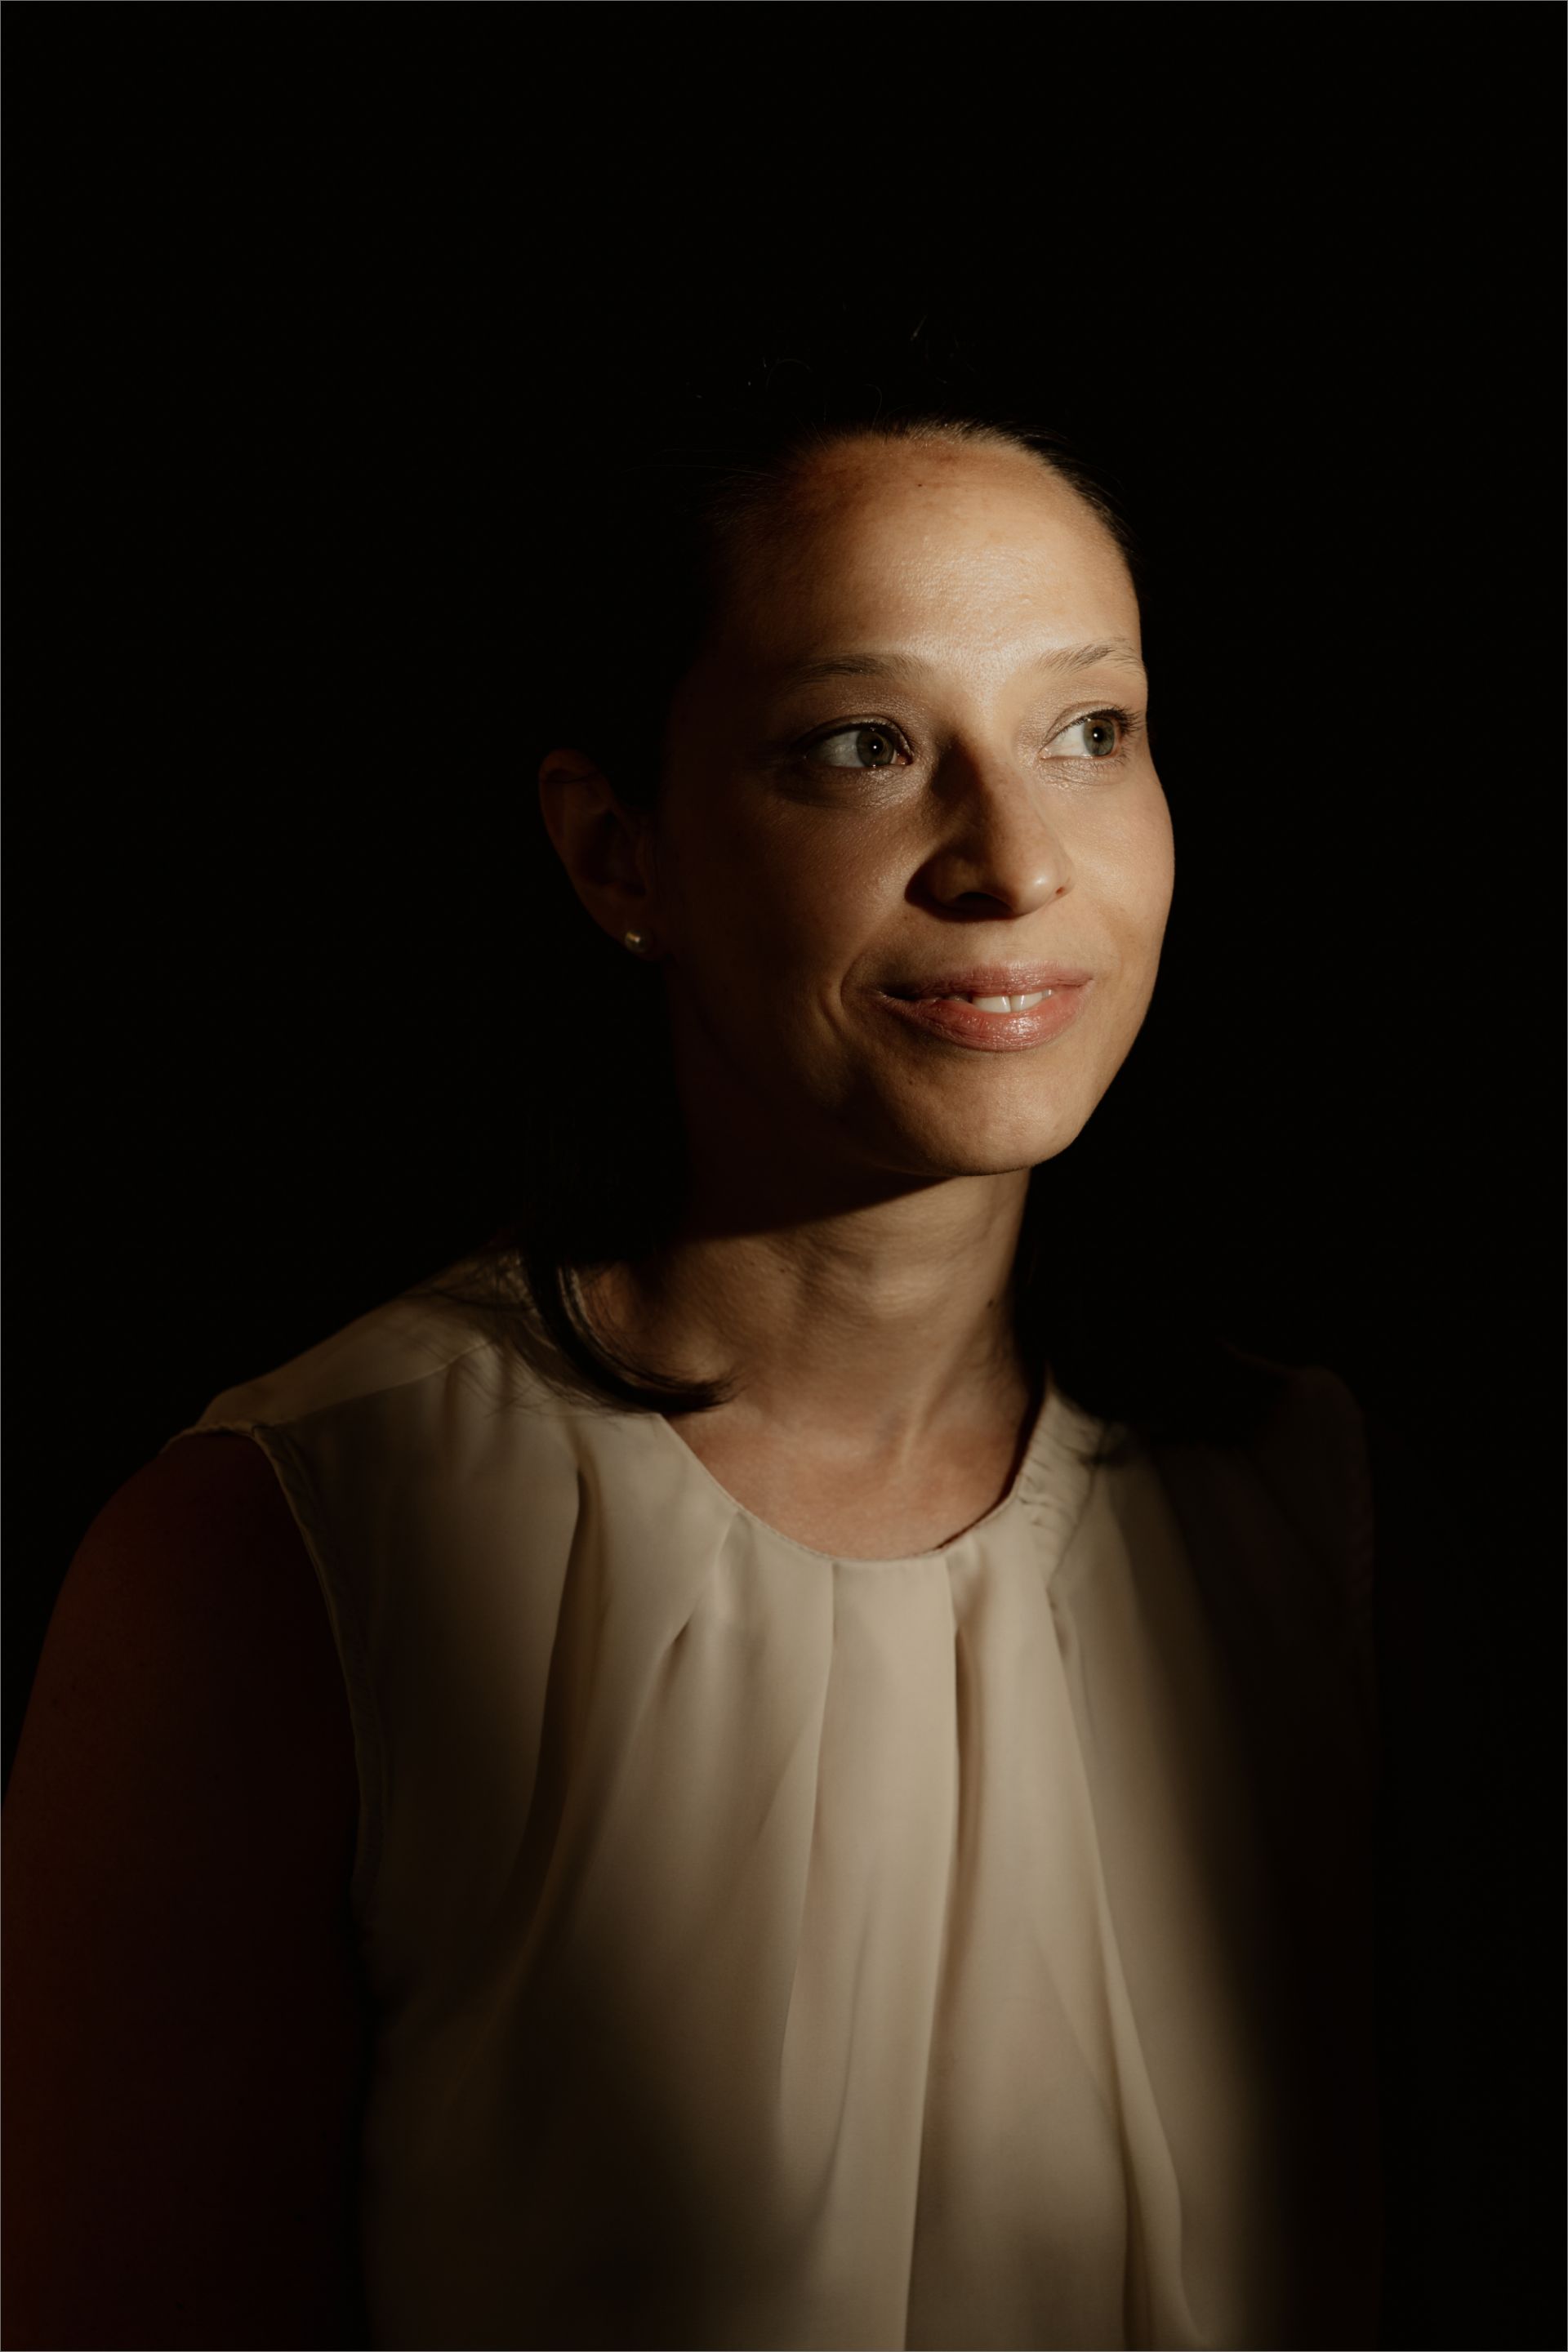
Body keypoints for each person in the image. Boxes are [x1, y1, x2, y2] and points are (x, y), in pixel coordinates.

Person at [3, 376, 1401, 2350]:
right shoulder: (280, 1555)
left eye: (1091, 732)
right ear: (618, 854)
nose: (1015, 861)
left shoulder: (1309, 1506)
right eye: (862, 747)